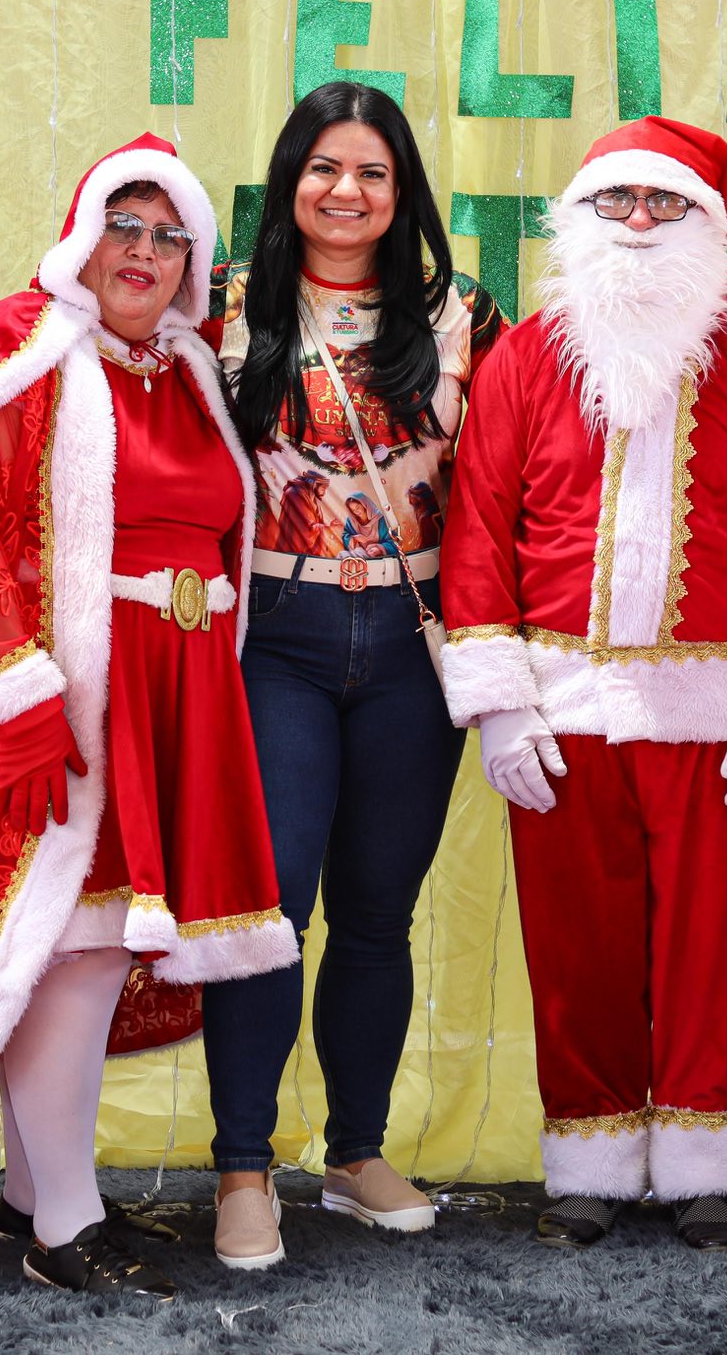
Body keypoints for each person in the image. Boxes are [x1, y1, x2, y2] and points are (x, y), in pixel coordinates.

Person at [0, 134, 298, 1300]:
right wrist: (14, 688)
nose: (144, 253)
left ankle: (29, 1193)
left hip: (172, 689)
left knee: (85, 943)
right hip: (69, 692)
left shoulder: (188, 369)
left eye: (169, 237)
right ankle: (67, 1222)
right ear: (81, 235)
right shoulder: (20, 348)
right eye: (124, 226)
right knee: (72, 943)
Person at [441, 116, 727, 1251]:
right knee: (576, 944)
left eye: (666, 204)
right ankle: (591, 1155)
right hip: (559, 708)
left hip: (720, 714)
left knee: (715, 945)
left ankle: (707, 1163)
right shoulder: (524, 358)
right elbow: (478, 529)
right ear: (575, 217)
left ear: (708, 225)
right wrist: (499, 703)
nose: (637, 222)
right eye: (615, 200)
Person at [203, 80, 504, 1270]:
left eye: (372, 171)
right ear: (289, 179)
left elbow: (506, 476)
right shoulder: (222, 302)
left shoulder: (458, 311)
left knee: (377, 910)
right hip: (273, 633)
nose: (346, 190)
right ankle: (241, 1167)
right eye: (324, 167)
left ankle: (354, 1153)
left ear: (402, 190)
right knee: (269, 910)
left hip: (409, 638)